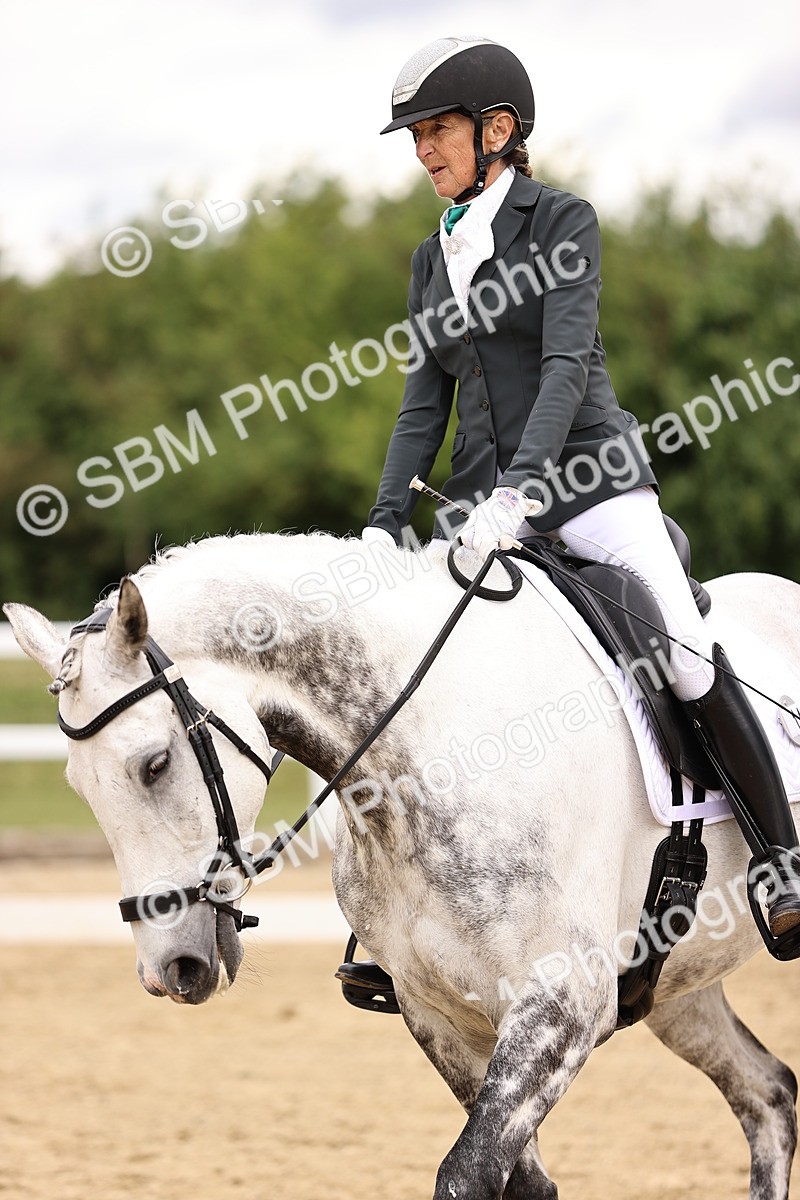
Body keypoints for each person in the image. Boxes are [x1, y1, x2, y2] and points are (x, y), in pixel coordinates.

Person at [336, 35, 800, 1004]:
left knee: (676, 648)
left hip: (590, 488)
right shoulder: (433, 260)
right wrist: (383, 522)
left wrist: (522, 494)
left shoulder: (561, 222)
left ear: (497, 131)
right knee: (406, 676)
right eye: (414, 135)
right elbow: (424, 401)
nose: (422, 151)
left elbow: (561, 365)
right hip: (474, 513)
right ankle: (384, 924)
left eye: (436, 130)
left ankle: (779, 860)